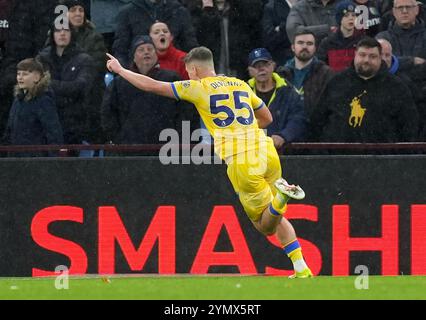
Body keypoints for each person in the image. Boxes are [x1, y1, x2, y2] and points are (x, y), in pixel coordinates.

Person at [106, 46, 313, 278]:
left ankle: (283, 197)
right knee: (275, 216)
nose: (188, 75)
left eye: (188, 71)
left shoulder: (198, 88)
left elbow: (151, 85)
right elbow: (267, 118)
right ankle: (301, 267)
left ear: (194, 69)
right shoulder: (241, 84)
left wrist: (121, 70)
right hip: (266, 151)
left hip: (242, 160)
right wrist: (242, 128)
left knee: (266, 225)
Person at [310, 37, 419, 142]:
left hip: (383, 157)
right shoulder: (337, 82)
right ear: (355, 55)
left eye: (372, 56)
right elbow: (318, 119)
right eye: (362, 55)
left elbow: (410, 125)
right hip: (339, 156)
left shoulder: (396, 87)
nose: (366, 60)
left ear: (380, 58)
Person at [101, 35, 197, 148]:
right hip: (130, 149)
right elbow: (108, 114)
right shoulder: (119, 84)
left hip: (167, 148)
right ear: (133, 57)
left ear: (156, 55)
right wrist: (119, 139)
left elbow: (186, 111)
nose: (146, 52)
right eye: (141, 50)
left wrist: (179, 139)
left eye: (150, 49)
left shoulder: (172, 78)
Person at [37, 23, 95, 151]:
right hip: (45, 120)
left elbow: (81, 86)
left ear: (72, 34)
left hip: (75, 121)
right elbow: (37, 85)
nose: (62, 33)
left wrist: (50, 83)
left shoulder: (84, 59)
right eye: (58, 30)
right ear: (52, 34)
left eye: (66, 30)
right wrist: (66, 87)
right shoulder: (41, 59)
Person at [247, 47, 307, 150]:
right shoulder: (242, 93)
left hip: (282, 153)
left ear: (273, 66)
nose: (261, 69)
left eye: (265, 64)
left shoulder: (289, 92)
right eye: (257, 66)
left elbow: (299, 118)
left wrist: (284, 136)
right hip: (251, 152)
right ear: (250, 71)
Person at [2, 58, 63, 157]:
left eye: (25, 74)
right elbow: (9, 130)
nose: (20, 78)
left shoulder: (44, 101)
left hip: (36, 160)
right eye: (18, 74)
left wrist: (52, 160)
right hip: (15, 159)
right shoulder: (18, 100)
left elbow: (53, 133)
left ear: (37, 77)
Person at [112, 0, 198, 67]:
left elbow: (190, 45)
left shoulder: (179, 11)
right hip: (139, 73)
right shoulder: (127, 12)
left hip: (176, 71)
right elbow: (120, 49)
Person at [279, 30, 333, 126]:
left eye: (309, 43)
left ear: (315, 48)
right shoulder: (281, 74)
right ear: (293, 47)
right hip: (286, 130)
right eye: (300, 43)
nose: (305, 47)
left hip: (316, 131)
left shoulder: (326, 73)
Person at [317, 1, 365, 71]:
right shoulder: (327, 43)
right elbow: (320, 68)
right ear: (339, 18)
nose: (351, 18)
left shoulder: (363, 41)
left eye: (353, 15)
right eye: (346, 15)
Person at [376, 0, 426, 64]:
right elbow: (380, 63)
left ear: (416, 10)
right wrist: (412, 61)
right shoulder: (383, 38)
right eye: (400, 7)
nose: (404, 11)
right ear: (394, 12)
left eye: (408, 7)